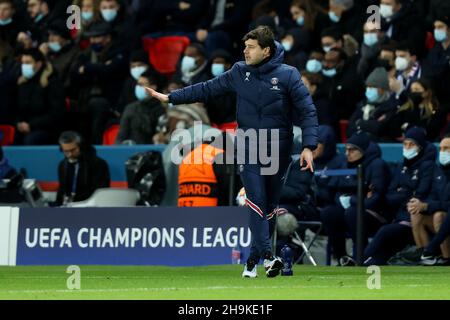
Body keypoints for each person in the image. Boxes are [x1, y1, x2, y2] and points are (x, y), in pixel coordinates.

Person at [146, 26, 318, 278]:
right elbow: (206, 88)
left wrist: (309, 147)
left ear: (266, 50)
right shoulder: (239, 72)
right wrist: (170, 97)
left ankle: (252, 260)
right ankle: (270, 258)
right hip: (248, 145)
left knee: (269, 206)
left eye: (250, 47)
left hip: (278, 148)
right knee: (256, 200)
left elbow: (308, 111)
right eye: (245, 46)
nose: (245, 52)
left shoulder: (288, 75)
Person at [364, 127, 437, 265]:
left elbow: (420, 194)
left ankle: (358, 261)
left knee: (385, 232)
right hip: (398, 217)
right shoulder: (401, 166)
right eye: (405, 144)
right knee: (384, 248)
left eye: (411, 144)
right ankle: (365, 264)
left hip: (414, 219)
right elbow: (389, 195)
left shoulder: (427, 166)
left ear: (420, 147)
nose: (407, 147)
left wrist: (403, 191)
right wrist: (407, 192)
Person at [320, 132, 390, 266]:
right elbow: (335, 191)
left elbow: (376, 198)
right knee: (329, 213)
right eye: (346, 149)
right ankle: (342, 257)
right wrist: (343, 198)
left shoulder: (377, 165)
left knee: (353, 212)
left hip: (376, 214)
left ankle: (361, 255)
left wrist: (352, 200)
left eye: (351, 150)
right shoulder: (345, 164)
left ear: (362, 150)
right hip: (351, 209)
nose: (347, 153)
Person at [399, 134, 450, 265]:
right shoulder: (438, 171)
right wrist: (420, 205)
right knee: (416, 213)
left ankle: (446, 258)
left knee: (439, 216)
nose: (443, 152)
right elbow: (431, 197)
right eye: (441, 149)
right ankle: (425, 255)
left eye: (447, 149)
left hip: (444, 218)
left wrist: (427, 206)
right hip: (442, 219)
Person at [55, 131, 110, 206]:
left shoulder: (98, 164)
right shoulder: (62, 165)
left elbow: (100, 193)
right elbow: (61, 190)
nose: (70, 154)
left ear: (80, 146)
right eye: (66, 151)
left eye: (73, 150)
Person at [115, 70, 165, 145]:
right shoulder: (130, 109)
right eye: (137, 84)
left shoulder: (163, 109)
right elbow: (120, 138)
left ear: (153, 87)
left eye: (141, 85)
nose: (138, 88)